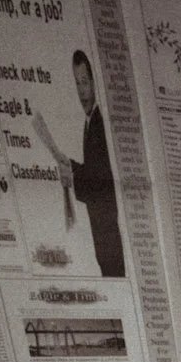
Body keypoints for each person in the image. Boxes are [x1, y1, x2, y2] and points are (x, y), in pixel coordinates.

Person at [35, 52, 124, 278]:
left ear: (95, 82)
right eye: (77, 84)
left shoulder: (99, 123)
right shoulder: (90, 122)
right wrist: (72, 165)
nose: (82, 91)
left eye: (85, 82)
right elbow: (94, 170)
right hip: (103, 238)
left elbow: (101, 181)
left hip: (110, 237)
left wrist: (74, 174)